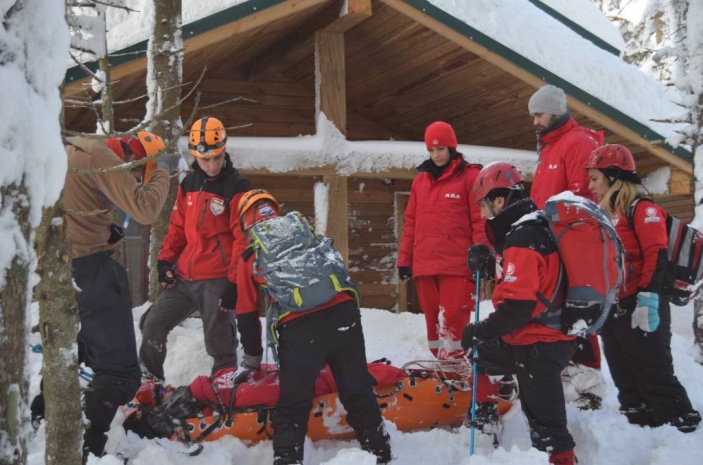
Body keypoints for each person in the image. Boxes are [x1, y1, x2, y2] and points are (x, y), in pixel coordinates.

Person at [234, 189, 392, 465]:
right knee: (356, 389)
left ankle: (287, 459)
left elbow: (247, 313)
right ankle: (381, 454)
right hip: (344, 314)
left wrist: (253, 358)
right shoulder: (305, 235)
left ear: (245, 222)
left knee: (293, 404)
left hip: (299, 329)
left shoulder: (252, 254)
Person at [62, 132, 181, 462]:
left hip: (62, 272)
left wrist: (103, 230)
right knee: (119, 372)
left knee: (75, 360)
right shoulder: (100, 156)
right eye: (135, 173)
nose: (131, 179)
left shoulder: (73, 148)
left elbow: (77, 208)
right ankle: (91, 446)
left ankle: (47, 422)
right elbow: (144, 209)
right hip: (93, 272)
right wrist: (161, 171)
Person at [462, 162, 577, 465]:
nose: (482, 212)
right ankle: (486, 415)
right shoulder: (529, 229)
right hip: (535, 336)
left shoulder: (523, 237)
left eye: (483, 204)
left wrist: (479, 329)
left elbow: (518, 308)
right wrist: (487, 265)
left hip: (540, 342)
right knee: (481, 353)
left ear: (499, 200)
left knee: (547, 426)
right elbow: (532, 278)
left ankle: (563, 460)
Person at [586, 144, 701, 433]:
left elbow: (655, 253)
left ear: (613, 178)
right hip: (614, 307)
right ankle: (641, 428)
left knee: (654, 371)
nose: (591, 186)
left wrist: (648, 298)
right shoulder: (608, 216)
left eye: (595, 178)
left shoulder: (644, 209)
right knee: (623, 372)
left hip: (642, 303)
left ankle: (682, 429)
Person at [139, 116, 252, 383]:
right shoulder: (188, 185)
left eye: (217, 158)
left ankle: (223, 389)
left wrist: (234, 284)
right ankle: (149, 384)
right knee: (152, 323)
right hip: (184, 275)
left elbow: (242, 240)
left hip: (218, 278)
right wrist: (166, 261)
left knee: (219, 339)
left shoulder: (237, 187)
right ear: (195, 156)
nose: (213, 165)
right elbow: (177, 228)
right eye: (206, 160)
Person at [527, 84, 606, 410]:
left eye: (539, 114)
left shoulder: (578, 143)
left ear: (556, 111)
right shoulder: (548, 150)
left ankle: (589, 387)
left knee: (578, 315)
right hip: (548, 249)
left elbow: (583, 201)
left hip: (571, 249)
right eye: (533, 115)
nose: (535, 121)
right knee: (553, 314)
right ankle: (561, 374)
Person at [397, 121, 487, 360]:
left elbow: (480, 220)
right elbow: (411, 222)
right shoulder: (420, 181)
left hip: (457, 265)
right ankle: (442, 367)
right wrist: (405, 260)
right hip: (425, 264)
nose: (436, 154)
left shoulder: (470, 177)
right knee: (433, 325)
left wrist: (481, 251)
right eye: (432, 150)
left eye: (441, 149)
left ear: (452, 148)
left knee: (454, 320)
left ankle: (457, 369)